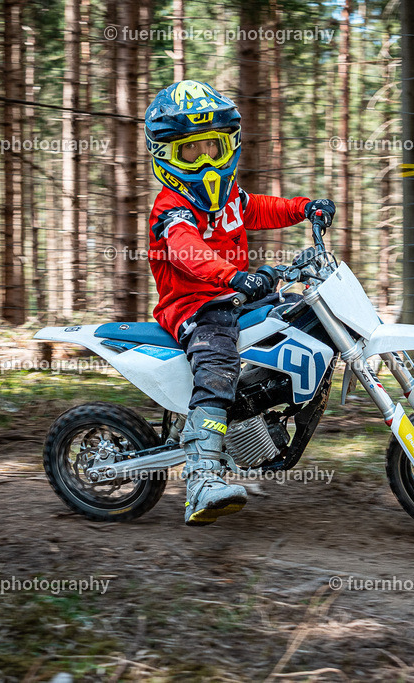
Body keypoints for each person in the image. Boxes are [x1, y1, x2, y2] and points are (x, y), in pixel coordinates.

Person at [144, 80, 334, 525]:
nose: (206, 161)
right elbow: (189, 252)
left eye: (213, 148)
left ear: (228, 146)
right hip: (196, 308)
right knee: (218, 365)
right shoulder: (170, 209)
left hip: (237, 295)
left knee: (301, 315)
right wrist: (234, 277)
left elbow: (261, 208)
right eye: (193, 152)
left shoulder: (229, 197)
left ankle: (257, 409)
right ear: (169, 156)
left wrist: (305, 208)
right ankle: (202, 478)